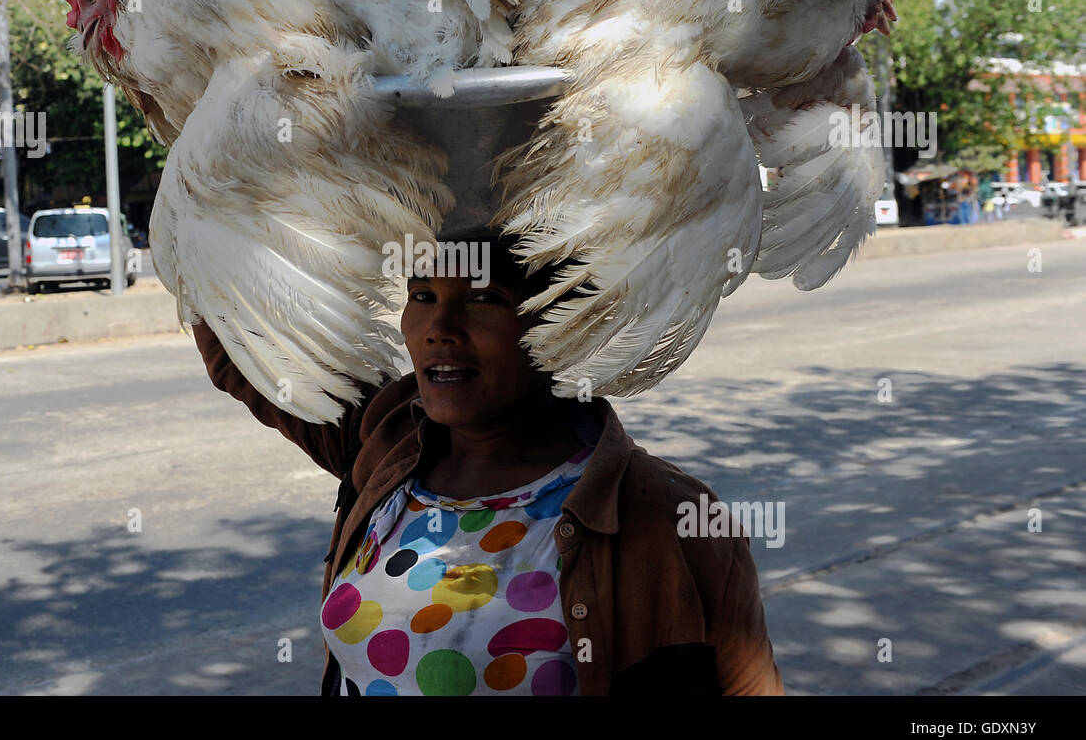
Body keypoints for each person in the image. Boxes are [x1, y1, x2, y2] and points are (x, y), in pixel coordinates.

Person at [191, 239, 784, 696]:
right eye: (422, 296)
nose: (439, 331)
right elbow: (240, 351)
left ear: (559, 327)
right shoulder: (383, 443)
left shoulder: (666, 517)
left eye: (482, 300)